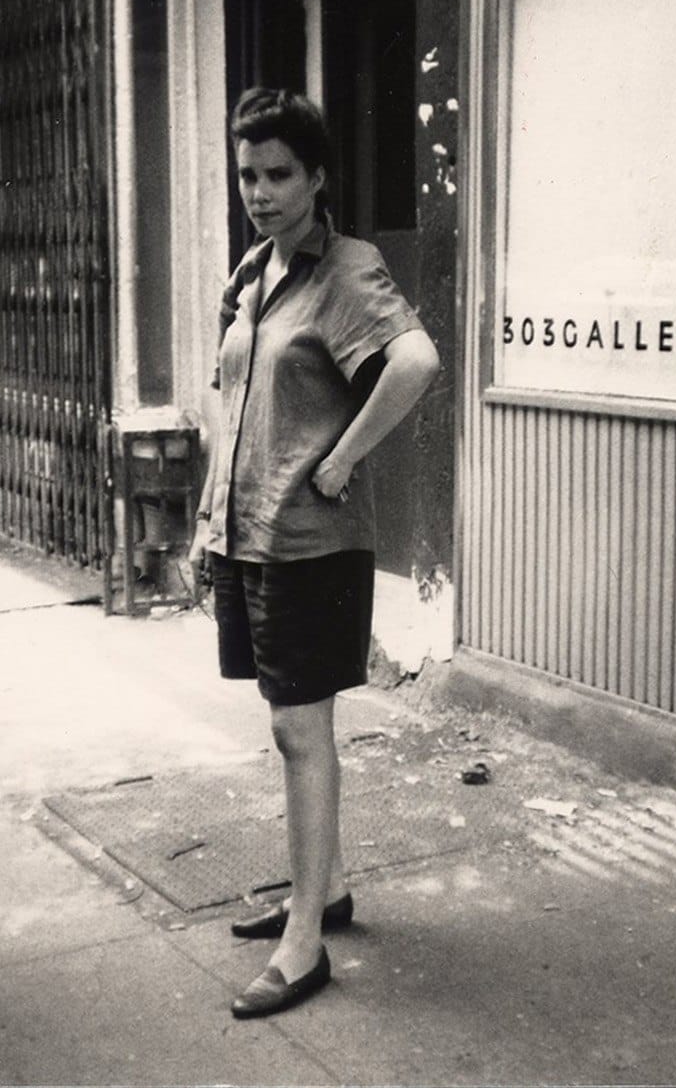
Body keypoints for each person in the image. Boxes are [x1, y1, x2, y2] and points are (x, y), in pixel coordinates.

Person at [189, 88, 441, 1020]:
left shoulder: (345, 269)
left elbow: (414, 363)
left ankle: (304, 944)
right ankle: (323, 889)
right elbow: (233, 401)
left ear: (317, 177)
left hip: (310, 543)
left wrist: (339, 461)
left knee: (302, 732)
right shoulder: (254, 273)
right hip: (251, 536)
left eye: (278, 174)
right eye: (246, 175)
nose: (259, 192)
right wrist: (207, 516)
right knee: (287, 724)